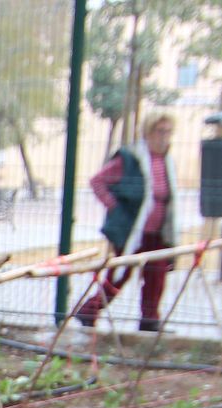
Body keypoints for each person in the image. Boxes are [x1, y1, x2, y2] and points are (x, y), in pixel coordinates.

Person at [77, 113, 178, 334]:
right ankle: (88, 311)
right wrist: (115, 207)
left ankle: (150, 321)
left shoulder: (167, 162)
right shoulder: (130, 159)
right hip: (132, 231)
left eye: (168, 132)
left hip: (158, 232)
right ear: (148, 133)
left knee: (156, 277)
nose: (164, 137)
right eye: (160, 131)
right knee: (119, 276)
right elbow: (97, 182)